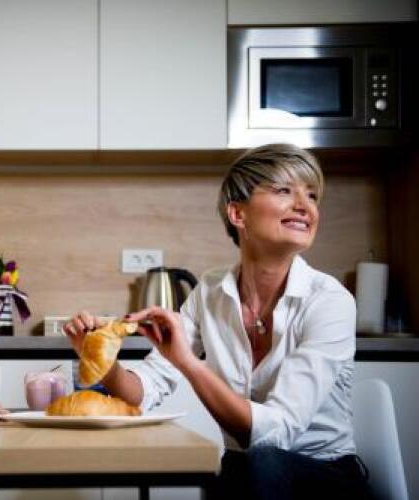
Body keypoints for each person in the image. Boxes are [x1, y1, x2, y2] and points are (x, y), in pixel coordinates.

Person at [64, 144, 372, 499]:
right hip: (247, 474)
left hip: (327, 476)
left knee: (255, 464)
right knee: (232, 468)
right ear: (238, 214)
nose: (305, 206)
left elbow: (277, 435)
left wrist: (188, 363)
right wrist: (101, 361)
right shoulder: (210, 291)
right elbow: (143, 392)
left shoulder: (330, 301)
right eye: (285, 190)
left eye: (312, 195)